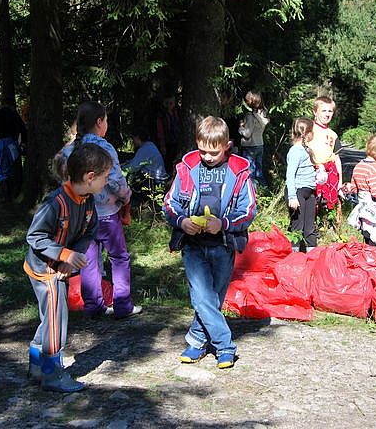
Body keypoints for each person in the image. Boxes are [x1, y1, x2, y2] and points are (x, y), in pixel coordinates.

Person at [163, 116, 257, 369]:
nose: (207, 157)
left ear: (227, 145)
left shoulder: (239, 172)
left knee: (212, 300)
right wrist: (182, 221)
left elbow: (248, 210)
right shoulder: (187, 168)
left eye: (214, 152)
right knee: (202, 297)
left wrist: (223, 224)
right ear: (197, 143)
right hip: (193, 245)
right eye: (202, 150)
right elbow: (170, 203)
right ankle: (225, 346)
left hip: (223, 245)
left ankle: (197, 341)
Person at [24, 142, 111, 392]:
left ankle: (36, 366)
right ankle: (52, 375)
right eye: (105, 177)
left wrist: (71, 258)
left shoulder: (87, 201)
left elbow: (89, 231)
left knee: (51, 317)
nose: (107, 182)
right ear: (90, 177)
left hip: (60, 267)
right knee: (56, 319)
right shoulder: (55, 203)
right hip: (44, 271)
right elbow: (35, 236)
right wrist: (64, 255)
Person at [61, 102, 142, 320]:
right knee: (119, 256)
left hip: (81, 214)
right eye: (106, 120)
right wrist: (126, 197)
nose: (106, 124)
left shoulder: (70, 149)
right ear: (99, 122)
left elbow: (63, 178)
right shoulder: (104, 148)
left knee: (87, 259)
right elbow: (115, 180)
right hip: (106, 214)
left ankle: (93, 306)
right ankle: (123, 305)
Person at [343, 134, 376, 246]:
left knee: (367, 235)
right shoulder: (375, 168)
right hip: (374, 208)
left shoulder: (359, 166)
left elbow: (354, 187)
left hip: (362, 208)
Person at [285, 117, 319, 252]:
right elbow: (290, 175)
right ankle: (294, 256)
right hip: (297, 192)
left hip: (309, 192)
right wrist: (292, 197)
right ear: (307, 133)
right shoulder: (295, 151)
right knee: (297, 226)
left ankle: (312, 255)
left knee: (310, 227)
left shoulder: (306, 150)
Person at [306, 96, 343, 212]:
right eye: (323, 111)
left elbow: (337, 159)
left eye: (330, 111)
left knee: (326, 206)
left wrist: (340, 181)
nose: (327, 114)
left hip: (328, 175)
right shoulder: (308, 130)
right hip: (310, 172)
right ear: (315, 112)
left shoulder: (333, 135)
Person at [0, 104, 26, 202]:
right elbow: (22, 129)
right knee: (15, 166)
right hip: (11, 143)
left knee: (2, 169)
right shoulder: (14, 114)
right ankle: (14, 193)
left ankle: (6, 195)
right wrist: (24, 141)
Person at [238, 90, 269, 187]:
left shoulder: (250, 116)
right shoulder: (262, 114)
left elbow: (247, 134)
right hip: (260, 144)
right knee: (259, 169)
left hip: (250, 146)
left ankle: (252, 190)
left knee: (250, 170)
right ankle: (263, 188)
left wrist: (240, 128)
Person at [155, 95, 184, 175]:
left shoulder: (177, 112)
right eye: (167, 103)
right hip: (167, 141)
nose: (169, 105)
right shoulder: (161, 115)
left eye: (171, 103)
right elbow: (160, 131)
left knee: (176, 157)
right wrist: (162, 145)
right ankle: (167, 175)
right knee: (168, 159)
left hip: (177, 139)